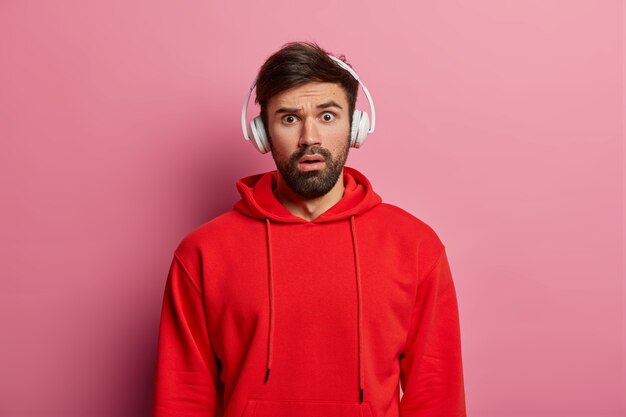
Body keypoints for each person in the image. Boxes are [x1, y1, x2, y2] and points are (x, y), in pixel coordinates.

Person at [153, 41, 467, 417]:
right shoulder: (202, 253)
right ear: (262, 134)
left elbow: (436, 395)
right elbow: (183, 397)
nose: (309, 137)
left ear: (356, 126)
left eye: (328, 116)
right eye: (288, 118)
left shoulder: (415, 246)